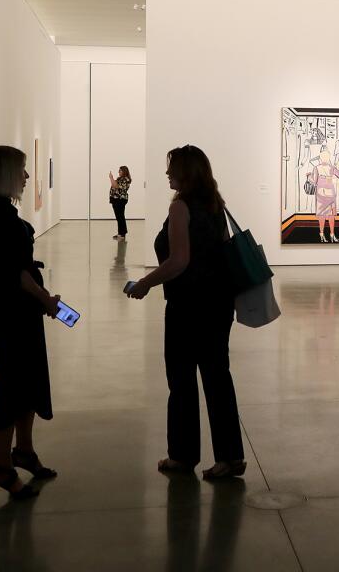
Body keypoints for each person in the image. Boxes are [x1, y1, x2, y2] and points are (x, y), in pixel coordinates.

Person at [126, 145, 246, 480]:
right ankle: (230, 457)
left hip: (188, 307)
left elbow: (179, 261)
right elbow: (222, 253)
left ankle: (182, 455)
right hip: (218, 304)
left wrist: (145, 283)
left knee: (181, 380)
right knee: (218, 377)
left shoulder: (180, 207)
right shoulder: (214, 205)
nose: (167, 174)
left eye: (171, 168)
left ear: (185, 172)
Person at [0, 145, 61, 500]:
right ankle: (1, 467)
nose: (27, 177)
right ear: (6, 173)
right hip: (12, 313)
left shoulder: (0, 212)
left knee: (26, 381)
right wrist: (47, 301)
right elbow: (16, 274)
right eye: (22, 170)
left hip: (22, 313)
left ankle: (23, 451)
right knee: (11, 384)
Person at [108, 165, 132, 239]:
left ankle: (122, 234)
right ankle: (120, 233)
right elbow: (113, 185)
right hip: (116, 199)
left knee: (120, 216)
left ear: (124, 171)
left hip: (120, 200)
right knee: (119, 217)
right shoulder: (120, 178)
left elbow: (116, 186)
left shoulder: (125, 179)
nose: (118, 172)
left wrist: (111, 178)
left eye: (120, 170)